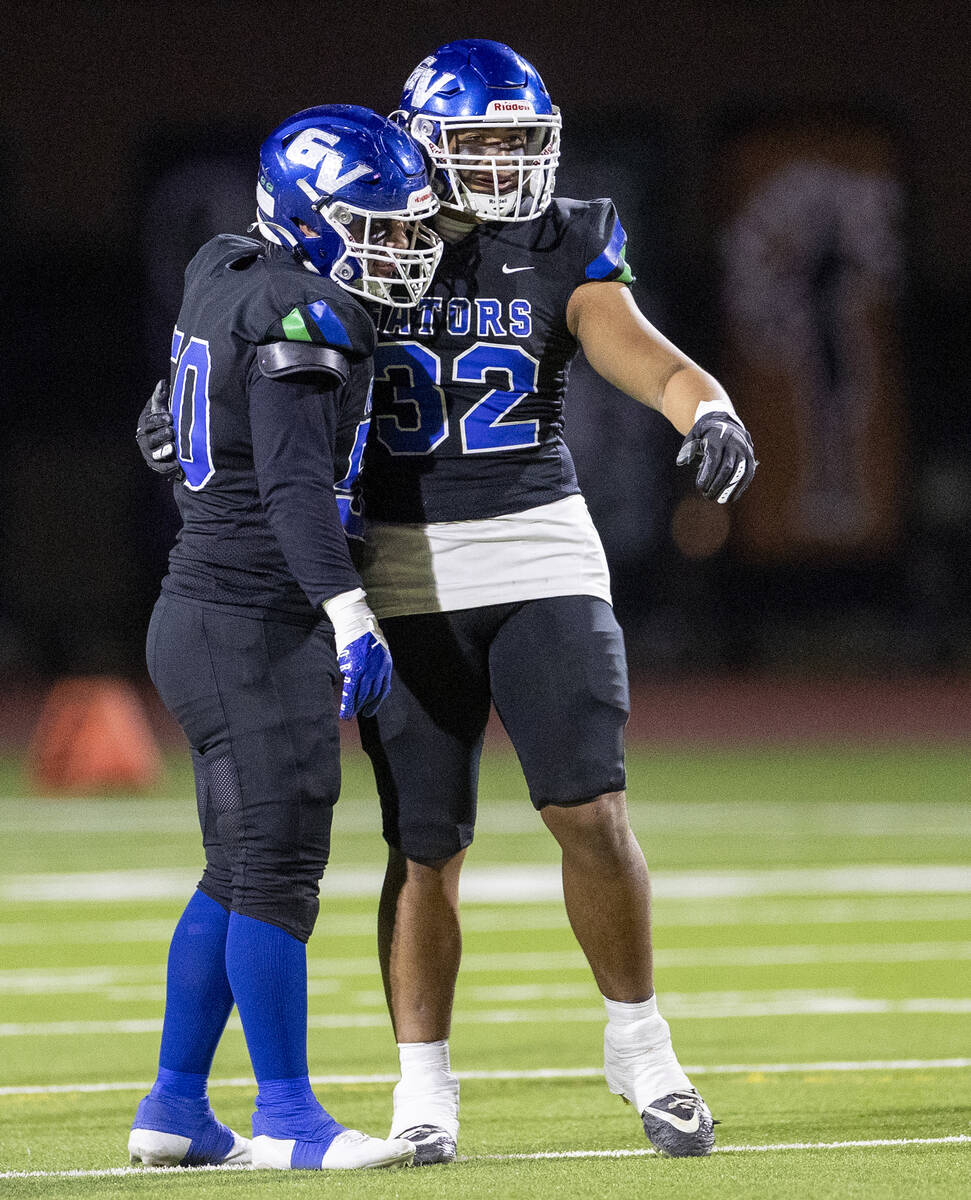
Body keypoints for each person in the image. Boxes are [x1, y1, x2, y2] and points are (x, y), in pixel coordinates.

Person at [138, 42, 757, 1164]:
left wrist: (704, 409)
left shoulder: (563, 235)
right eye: (480, 145)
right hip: (394, 562)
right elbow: (232, 347)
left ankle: (640, 1043)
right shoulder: (355, 228)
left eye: (522, 144)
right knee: (425, 841)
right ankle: (422, 1083)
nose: (507, 169)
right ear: (416, 145)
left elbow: (648, 356)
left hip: (533, 539)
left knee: (588, 806)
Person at [129, 103, 442, 1172]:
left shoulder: (223, 267)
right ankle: (288, 1121)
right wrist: (348, 610)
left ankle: (174, 1108)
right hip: (251, 618)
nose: (398, 247)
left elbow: (158, 425)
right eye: (378, 225)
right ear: (310, 217)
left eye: (407, 227)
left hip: (200, 611)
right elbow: (301, 489)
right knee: (274, 871)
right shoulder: (308, 313)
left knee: (235, 871)